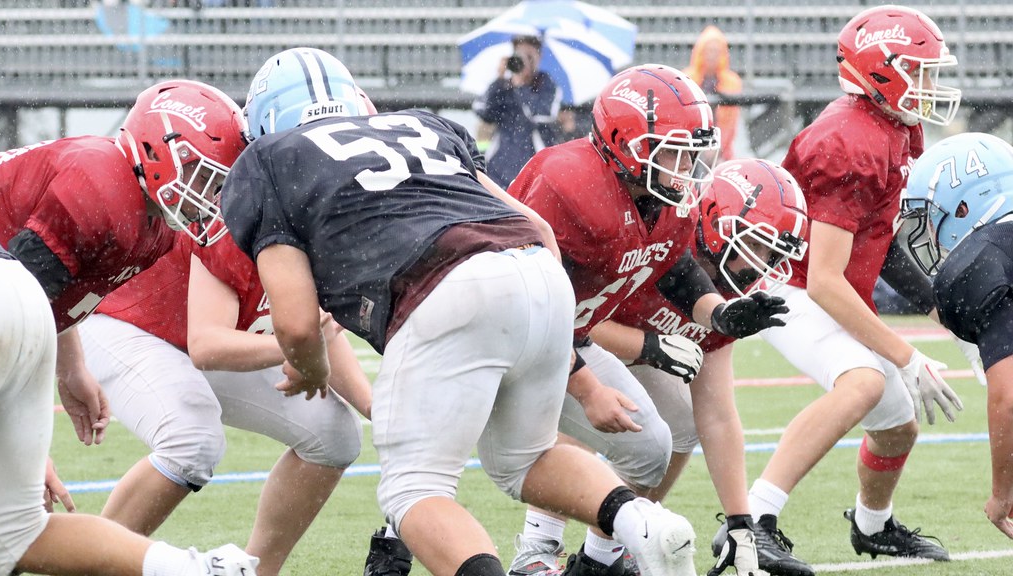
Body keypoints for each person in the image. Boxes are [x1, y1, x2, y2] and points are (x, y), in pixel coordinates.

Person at [219, 46, 766, 576]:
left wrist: (311, 367)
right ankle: (640, 522)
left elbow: (297, 324)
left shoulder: (269, 160)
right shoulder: (423, 124)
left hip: (442, 285)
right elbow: (539, 228)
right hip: (538, 273)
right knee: (525, 459)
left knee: (415, 488)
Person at [504, 65, 790, 576]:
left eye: (691, 153)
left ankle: (601, 559)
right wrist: (621, 365)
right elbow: (531, 301)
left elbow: (675, 265)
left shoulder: (666, 203)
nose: (687, 168)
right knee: (450, 445)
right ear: (625, 144)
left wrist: (718, 313)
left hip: (569, 336)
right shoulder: (571, 185)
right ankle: (533, 547)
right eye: (674, 151)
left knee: (652, 446)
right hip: (509, 329)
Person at [723, 5, 965, 573]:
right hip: (789, 286)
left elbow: (881, 240)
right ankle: (752, 523)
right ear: (881, 70)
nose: (929, 84)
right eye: (918, 70)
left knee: (897, 427)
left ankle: (872, 526)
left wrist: (941, 309)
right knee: (863, 383)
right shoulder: (849, 140)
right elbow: (826, 281)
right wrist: (905, 354)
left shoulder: (895, 125)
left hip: (826, 286)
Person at [0, 81, 257, 575]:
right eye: (202, 175)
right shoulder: (100, 180)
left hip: (8, 305)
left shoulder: (152, 226)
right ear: (158, 148)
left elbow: (38, 294)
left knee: (16, 531)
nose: (210, 196)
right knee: (16, 529)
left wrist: (72, 367)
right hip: (3, 297)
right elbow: (21, 286)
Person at [78, 223, 371, 575]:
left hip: (191, 332)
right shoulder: (247, 219)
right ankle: (89, 565)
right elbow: (208, 344)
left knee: (335, 434)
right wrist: (298, 349)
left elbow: (319, 326)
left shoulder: (318, 223)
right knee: (192, 440)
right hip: (127, 322)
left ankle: (260, 571)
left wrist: (375, 409)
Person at [589, 158, 809, 576]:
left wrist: (740, 523)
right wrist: (648, 346)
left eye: (772, 252)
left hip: (636, 352)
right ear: (715, 221)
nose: (760, 262)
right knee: (584, 406)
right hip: (571, 350)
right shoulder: (661, 238)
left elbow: (718, 413)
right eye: (756, 244)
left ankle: (614, 546)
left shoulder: (729, 291)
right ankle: (539, 545)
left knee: (681, 422)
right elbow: (577, 322)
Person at [900, 131, 1013, 540]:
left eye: (932, 217)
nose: (930, 231)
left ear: (963, 207)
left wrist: (1001, 493)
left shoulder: (982, 261)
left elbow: (1008, 399)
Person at [472, 34, 562, 188]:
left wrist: (521, 88)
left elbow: (542, 114)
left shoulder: (546, 84)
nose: (524, 61)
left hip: (535, 167)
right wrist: (499, 80)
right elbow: (483, 111)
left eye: (529, 56)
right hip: (499, 167)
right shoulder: (505, 85)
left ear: (539, 57)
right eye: (520, 55)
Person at [684, 25, 742, 163]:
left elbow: (730, 123)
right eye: (709, 50)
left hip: (721, 149)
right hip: (691, 144)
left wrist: (718, 146)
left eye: (716, 51)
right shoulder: (687, 78)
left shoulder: (732, 82)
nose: (712, 55)